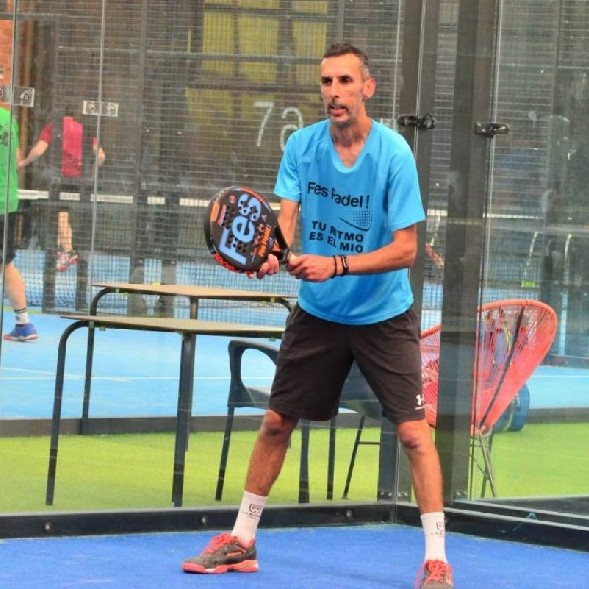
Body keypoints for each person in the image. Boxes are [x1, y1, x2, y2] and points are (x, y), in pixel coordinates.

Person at [183, 43, 453, 588]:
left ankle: (436, 559)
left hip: (383, 315)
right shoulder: (302, 147)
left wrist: (336, 264)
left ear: (367, 88)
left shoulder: (394, 154)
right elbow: (284, 224)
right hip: (318, 315)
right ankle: (242, 539)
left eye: (345, 81)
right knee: (276, 422)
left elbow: (406, 249)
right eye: (327, 82)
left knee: (413, 434)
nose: (334, 92)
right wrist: (270, 255)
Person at [19, 107, 106, 271]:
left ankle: (68, 251)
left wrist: (24, 162)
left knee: (61, 215)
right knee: (62, 214)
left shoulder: (53, 127)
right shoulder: (82, 129)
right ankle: (63, 250)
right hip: (78, 179)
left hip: (60, 179)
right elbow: (101, 155)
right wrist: (92, 171)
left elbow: (39, 150)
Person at [0, 105, 38, 342]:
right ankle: (24, 324)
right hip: (7, 201)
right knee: (5, 264)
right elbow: (15, 160)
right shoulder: (8, 119)